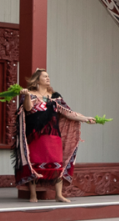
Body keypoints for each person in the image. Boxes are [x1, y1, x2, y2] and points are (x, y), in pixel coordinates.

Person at [13, 69, 96, 203]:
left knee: (57, 163)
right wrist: (27, 95)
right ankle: (33, 195)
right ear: (37, 80)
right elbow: (28, 109)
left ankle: (59, 194)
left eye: (48, 76)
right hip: (35, 135)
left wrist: (85, 118)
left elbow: (68, 112)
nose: (48, 78)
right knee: (34, 162)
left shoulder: (55, 96)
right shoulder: (30, 94)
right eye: (44, 77)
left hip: (53, 135)